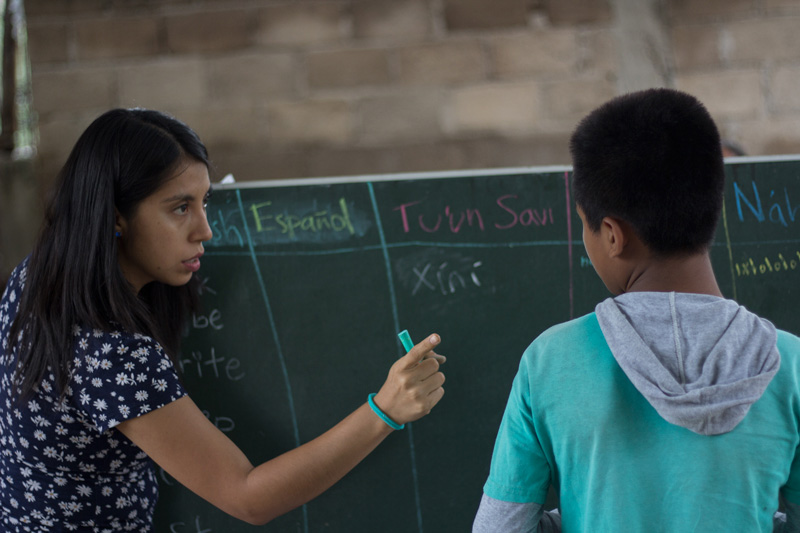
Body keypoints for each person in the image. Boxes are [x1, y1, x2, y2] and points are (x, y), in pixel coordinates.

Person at [0, 108, 446, 532]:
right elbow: (247, 497)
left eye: (205, 201)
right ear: (117, 216)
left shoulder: (36, 276)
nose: (205, 229)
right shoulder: (115, 356)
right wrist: (383, 411)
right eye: (180, 208)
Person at [472, 88, 800, 532]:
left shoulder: (550, 361)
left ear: (612, 235)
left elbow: (500, 529)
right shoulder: (790, 364)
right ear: (712, 208)